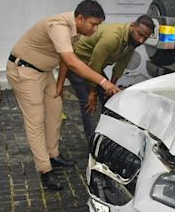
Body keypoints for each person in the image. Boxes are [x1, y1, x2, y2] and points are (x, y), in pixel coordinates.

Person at [6, 0, 120, 191]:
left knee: (55, 113)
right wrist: (103, 82)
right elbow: (71, 61)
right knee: (35, 121)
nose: (95, 29)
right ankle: (45, 170)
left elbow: (65, 58)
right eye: (93, 24)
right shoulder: (59, 26)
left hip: (45, 73)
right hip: (24, 71)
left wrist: (59, 85)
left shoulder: (76, 28)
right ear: (81, 18)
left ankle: (53, 155)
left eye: (98, 25)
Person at [57, 14, 154, 143]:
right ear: (132, 26)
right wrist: (93, 92)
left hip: (93, 66)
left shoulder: (132, 40)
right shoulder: (112, 37)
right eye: (140, 34)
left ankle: (108, 135)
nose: (141, 40)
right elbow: (95, 62)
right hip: (78, 63)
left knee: (110, 99)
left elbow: (121, 65)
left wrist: (111, 86)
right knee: (89, 103)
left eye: (145, 38)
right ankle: (93, 144)